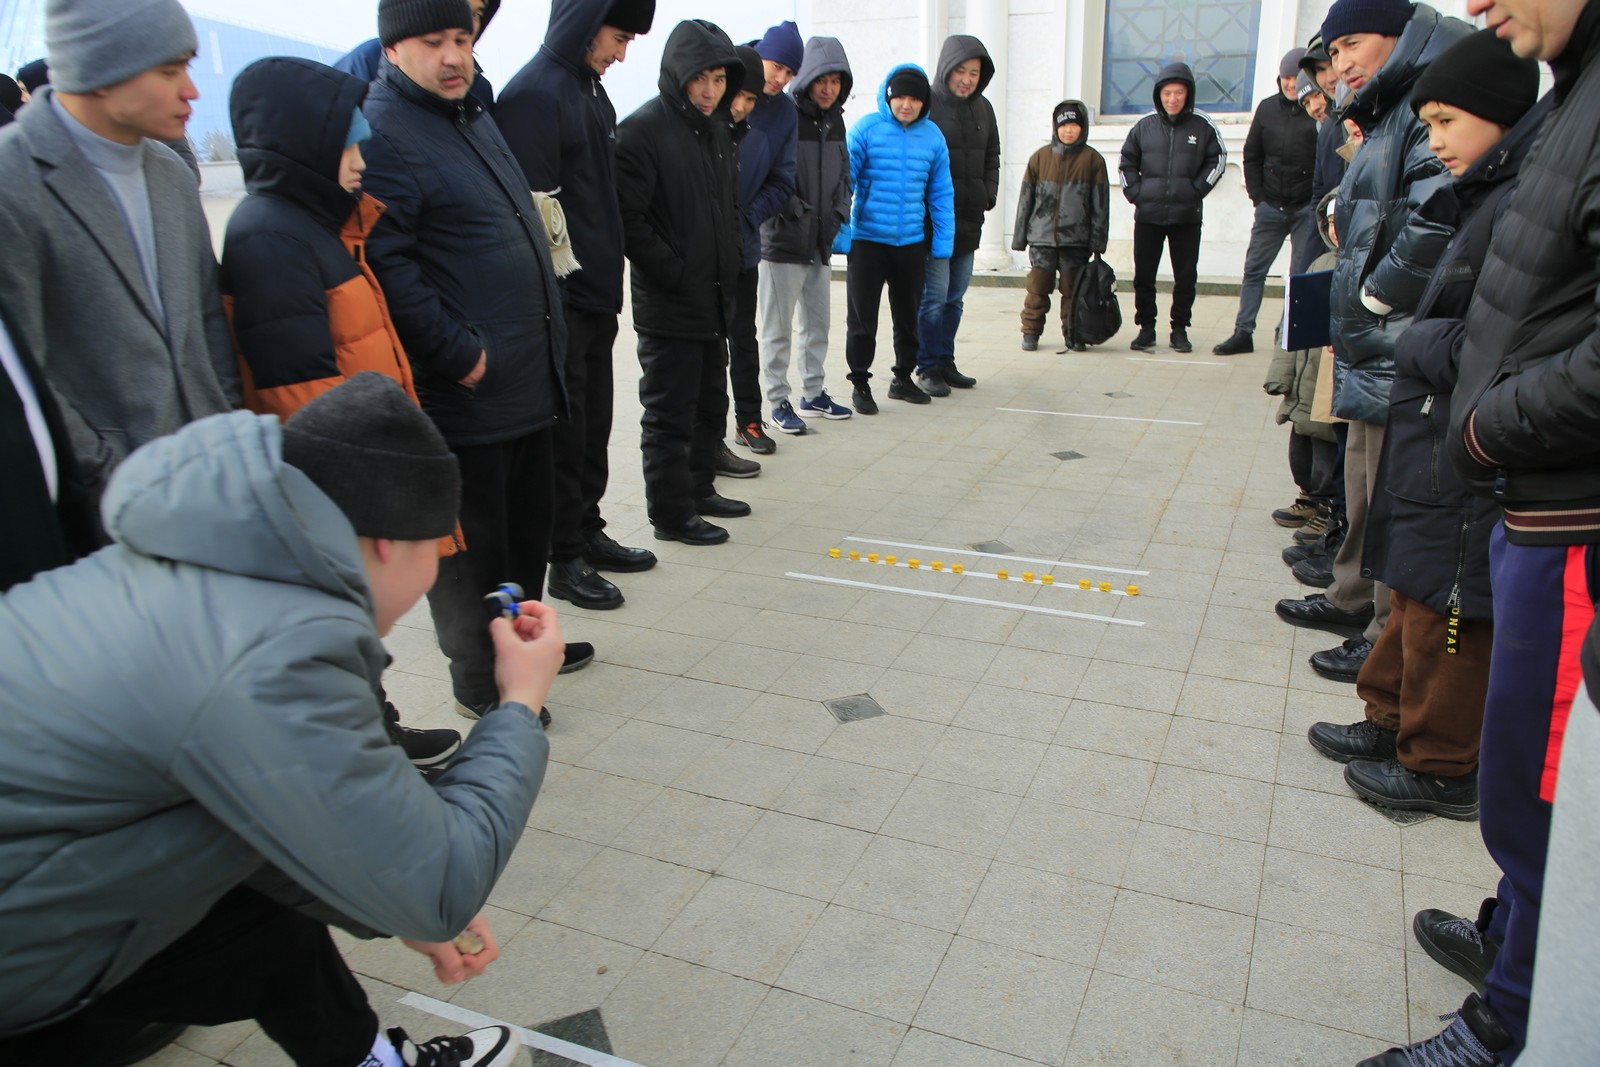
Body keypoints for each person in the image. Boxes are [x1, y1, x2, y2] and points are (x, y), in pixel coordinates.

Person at [0, 375, 557, 1067]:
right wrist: (518, 702)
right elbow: (441, 885)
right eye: (435, 549)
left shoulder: (197, 559)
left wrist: (388, 905)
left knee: (271, 912)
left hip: (46, 874)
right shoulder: (272, 649)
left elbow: (280, 817)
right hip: (24, 962)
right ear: (389, 542)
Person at [1368, 1, 1600, 1063]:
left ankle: (1513, 1020)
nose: (1476, 4)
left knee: (1544, 790)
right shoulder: (1573, 90)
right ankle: (1519, 942)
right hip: (1531, 497)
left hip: (1566, 509)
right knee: (1520, 779)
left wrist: (1482, 423)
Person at [1306, 29, 1540, 829]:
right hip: (1430, 413)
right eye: (1429, 122)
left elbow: (1495, 330)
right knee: (1411, 575)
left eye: (1446, 122)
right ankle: (1390, 715)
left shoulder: (1516, 197)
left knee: (1449, 602)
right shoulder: (1474, 189)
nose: (1434, 139)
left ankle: (1439, 763)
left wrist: (1413, 342)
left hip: (1464, 424)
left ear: (1499, 116)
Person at [220, 55, 467, 771]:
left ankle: (376, 735)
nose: (362, 162)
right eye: (349, 145)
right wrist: (361, 498)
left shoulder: (313, 227)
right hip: (335, 487)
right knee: (334, 621)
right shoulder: (272, 237)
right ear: (303, 145)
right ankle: (365, 757)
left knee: (351, 625)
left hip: (353, 474)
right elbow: (295, 394)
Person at [360, 0, 576, 721]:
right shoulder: (386, 130)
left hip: (526, 378)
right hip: (469, 392)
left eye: (462, 37)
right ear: (394, 49)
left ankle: (523, 650)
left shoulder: (470, 113)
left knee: (525, 537)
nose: (454, 55)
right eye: (433, 41)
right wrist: (459, 354)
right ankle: (482, 682)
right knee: (473, 554)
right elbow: (388, 263)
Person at [1274, 0, 1471, 686]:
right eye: (1334, 52)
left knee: (1393, 494)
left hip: (1400, 334)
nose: (1341, 63)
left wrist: (1374, 296)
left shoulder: (1429, 102)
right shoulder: (1386, 106)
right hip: (1370, 337)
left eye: (1352, 43)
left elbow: (1435, 215)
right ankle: (1353, 595)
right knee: (1362, 480)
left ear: (1398, 33)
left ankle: (1383, 635)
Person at [0, 0, 239, 513]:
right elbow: (22, 378)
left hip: (211, 481)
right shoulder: (12, 182)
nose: (192, 90)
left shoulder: (171, 174)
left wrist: (225, 424)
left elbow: (205, 319)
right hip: (105, 510)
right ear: (100, 70)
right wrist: (104, 472)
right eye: (169, 71)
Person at [496, 0, 659, 613]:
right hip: (560, 302)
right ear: (585, 24)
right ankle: (562, 555)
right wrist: (555, 301)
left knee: (592, 427)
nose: (622, 54)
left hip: (596, 295)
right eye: (618, 38)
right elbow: (534, 215)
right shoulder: (534, 95)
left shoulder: (589, 91)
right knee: (563, 437)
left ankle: (587, 529)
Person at [616, 20, 748, 545]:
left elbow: (726, 210)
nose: (710, 91)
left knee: (710, 403)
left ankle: (699, 489)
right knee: (669, 414)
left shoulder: (715, 131)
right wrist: (674, 271)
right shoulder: (641, 130)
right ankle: (671, 514)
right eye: (700, 78)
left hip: (713, 299)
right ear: (678, 75)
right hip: (670, 303)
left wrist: (731, 263)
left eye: (719, 79)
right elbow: (629, 220)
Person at [842, 63, 955, 412]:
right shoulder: (866, 129)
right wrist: (842, 231)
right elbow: (844, 183)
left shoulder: (933, 137)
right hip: (868, 241)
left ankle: (903, 378)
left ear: (925, 102)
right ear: (889, 97)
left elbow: (941, 193)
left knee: (908, 318)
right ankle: (860, 383)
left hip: (910, 242)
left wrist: (943, 242)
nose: (907, 105)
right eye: (900, 97)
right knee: (862, 319)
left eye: (915, 99)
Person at [758, 35, 854, 435]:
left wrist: (839, 213)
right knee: (777, 330)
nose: (828, 88)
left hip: (820, 242)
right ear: (808, 80)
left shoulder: (836, 122)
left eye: (835, 81)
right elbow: (768, 171)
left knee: (818, 325)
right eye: (821, 80)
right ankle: (777, 400)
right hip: (782, 243)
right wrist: (795, 211)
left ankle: (813, 394)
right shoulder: (784, 115)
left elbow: (845, 174)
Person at [1213, 48, 1318, 356]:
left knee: (1299, 275)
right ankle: (1243, 332)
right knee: (1254, 270)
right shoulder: (1267, 109)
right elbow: (1252, 154)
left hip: (1305, 208)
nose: (1291, 84)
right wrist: (1258, 197)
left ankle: (1287, 334)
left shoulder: (1318, 110)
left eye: (1297, 78)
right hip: (1271, 206)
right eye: (1286, 78)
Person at [1117, 60, 1225, 354]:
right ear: (1159, 95)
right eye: (1167, 93)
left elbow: (1218, 160)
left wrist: (1196, 191)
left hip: (1186, 217)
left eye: (1178, 93)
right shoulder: (1144, 127)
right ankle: (1146, 328)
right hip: (1148, 216)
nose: (1172, 99)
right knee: (1144, 276)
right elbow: (1126, 162)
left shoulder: (1202, 126)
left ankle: (1179, 329)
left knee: (1185, 277)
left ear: (1188, 94)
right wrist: (1137, 194)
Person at [726, 20, 801, 444]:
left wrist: (747, 217)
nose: (781, 78)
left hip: (744, 241)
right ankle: (701, 436)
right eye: (777, 67)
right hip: (700, 241)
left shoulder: (785, 113)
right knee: (703, 342)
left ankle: (749, 420)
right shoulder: (724, 80)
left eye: (790, 73)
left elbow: (782, 180)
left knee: (743, 338)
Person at [915, 34, 999, 394]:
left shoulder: (984, 109)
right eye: (961, 70)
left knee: (954, 298)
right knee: (933, 297)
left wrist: (988, 193)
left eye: (974, 73)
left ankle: (945, 359)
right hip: (934, 222)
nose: (967, 79)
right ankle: (927, 366)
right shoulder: (927, 104)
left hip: (969, 218)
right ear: (946, 68)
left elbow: (992, 156)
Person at [1262, 193, 1340, 540]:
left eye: (1343, 221)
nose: (1336, 230)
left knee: (1327, 451)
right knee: (1301, 451)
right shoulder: (1319, 263)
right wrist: (1282, 373)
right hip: (1304, 383)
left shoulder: (1365, 267)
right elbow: (1292, 327)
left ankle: (1327, 508)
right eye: (1332, 222)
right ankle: (1308, 497)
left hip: (1328, 384)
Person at [1011, 99, 1109, 353]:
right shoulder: (1039, 158)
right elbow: (1025, 201)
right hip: (1042, 239)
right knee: (1037, 289)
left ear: (1083, 128)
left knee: (1073, 292)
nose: (1068, 130)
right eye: (1063, 125)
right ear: (1055, 127)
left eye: (1074, 125)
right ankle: (1031, 332)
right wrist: (1020, 237)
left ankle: (1073, 333)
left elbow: (1100, 205)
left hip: (1076, 240)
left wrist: (1098, 241)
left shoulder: (1093, 160)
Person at [335, 0, 499, 110]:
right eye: (433, 42)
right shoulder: (367, 60)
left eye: (475, 15)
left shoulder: (480, 90)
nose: (465, 22)